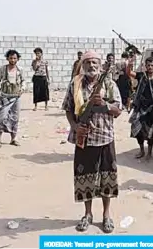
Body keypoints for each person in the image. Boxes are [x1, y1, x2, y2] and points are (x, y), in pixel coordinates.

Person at [61, 50, 122, 233]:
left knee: (107, 178)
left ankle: (106, 215)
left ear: (100, 65)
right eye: (88, 63)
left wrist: (104, 104)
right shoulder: (76, 84)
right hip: (84, 139)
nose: (91, 66)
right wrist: (75, 127)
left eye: (95, 63)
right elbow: (68, 109)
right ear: (83, 65)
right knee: (84, 178)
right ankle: (87, 214)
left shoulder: (110, 84)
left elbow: (118, 110)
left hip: (105, 138)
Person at [127, 56, 153, 161]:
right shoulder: (141, 76)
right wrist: (130, 63)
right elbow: (129, 73)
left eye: (152, 65)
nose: (150, 67)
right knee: (138, 131)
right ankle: (142, 151)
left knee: (150, 132)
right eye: (148, 65)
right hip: (140, 107)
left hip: (152, 108)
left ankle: (149, 153)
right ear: (145, 66)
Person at [0, 49, 25, 148]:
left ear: (17, 59)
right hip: (4, 97)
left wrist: (22, 88)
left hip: (16, 97)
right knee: (1, 118)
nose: (13, 60)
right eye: (11, 58)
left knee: (15, 118)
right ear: (7, 58)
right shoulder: (3, 69)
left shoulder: (20, 69)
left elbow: (23, 81)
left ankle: (13, 139)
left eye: (15, 58)